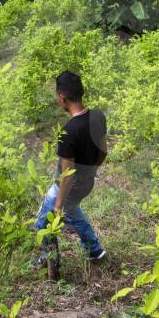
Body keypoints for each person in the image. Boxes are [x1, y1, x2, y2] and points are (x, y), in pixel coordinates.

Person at [34, 71, 107, 263]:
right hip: (87, 184)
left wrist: (58, 205)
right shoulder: (98, 117)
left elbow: (66, 175)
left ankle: (50, 261)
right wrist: (91, 171)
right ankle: (95, 250)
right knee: (73, 211)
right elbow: (103, 152)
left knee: (42, 223)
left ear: (62, 98)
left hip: (66, 188)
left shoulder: (68, 132)